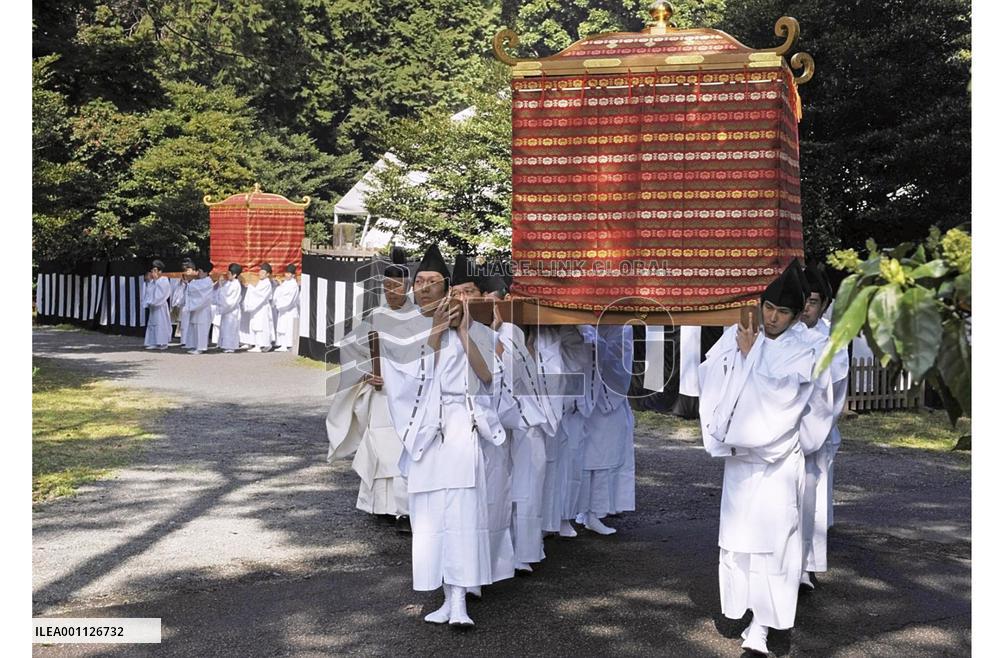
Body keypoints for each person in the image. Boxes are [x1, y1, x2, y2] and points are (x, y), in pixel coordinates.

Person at [698, 262, 837, 655]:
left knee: (774, 543)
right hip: (741, 462)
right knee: (740, 543)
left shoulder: (805, 348)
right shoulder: (741, 335)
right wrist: (741, 353)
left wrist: (751, 354)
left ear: (796, 318)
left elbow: (783, 398)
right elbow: (710, 378)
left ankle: (764, 626)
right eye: (768, 308)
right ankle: (744, 608)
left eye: (783, 312)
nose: (772, 318)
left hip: (775, 461)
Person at [381, 245, 505, 627]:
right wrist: (435, 332)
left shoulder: (477, 331)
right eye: (419, 282)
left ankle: (460, 602)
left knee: (463, 514)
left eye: (433, 283)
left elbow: (487, 378)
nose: (424, 288)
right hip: (426, 432)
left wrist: (464, 330)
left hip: (460, 427)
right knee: (432, 516)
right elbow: (404, 382)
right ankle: (446, 597)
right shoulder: (404, 329)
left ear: (449, 290)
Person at [327, 248, 416, 528]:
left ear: (408, 287)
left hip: (409, 396)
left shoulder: (420, 318)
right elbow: (351, 347)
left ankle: (405, 509)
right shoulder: (376, 316)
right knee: (380, 448)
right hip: (381, 395)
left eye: (397, 287)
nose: (392, 292)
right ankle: (379, 504)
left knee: (403, 450)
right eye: (387, 287)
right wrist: (366, 373)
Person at [798, 263, 850, 589]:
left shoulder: (833, 339)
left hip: (815, 432)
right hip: (783, 434)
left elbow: (836, 390)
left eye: (814, 302)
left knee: (812, 501)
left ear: (824, 305)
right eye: (803, 300)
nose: (806, 308)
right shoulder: (785, 333)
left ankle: (806, 568)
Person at [575, 323, 636, 535]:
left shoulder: (622, 327)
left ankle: (596, 511)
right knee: (583, 460)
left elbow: (618, 362)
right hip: (584, 395)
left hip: (607, 398)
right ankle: (581, 510)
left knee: (603, 460)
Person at [184, 260, 216, 355]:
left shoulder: (208, 282)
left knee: (201, 327)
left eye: (201, 271)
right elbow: (193, 289)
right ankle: (195, 345)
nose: (199, 273)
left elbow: (200, 294)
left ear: (206, 272)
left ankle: (201, 347)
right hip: (196, 308)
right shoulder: (198, 281)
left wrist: (190, 285)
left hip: (203, 309)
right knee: (194, 326)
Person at [243, 263, 275, 352]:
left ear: (267, 274)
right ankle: (259, 344)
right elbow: (256, 292)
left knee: (261, 326)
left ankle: (262, 344)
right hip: (258, 308)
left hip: (262, 308)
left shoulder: (267, 283)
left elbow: (259, 295)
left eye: (263, 272)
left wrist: (250, 287)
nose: (260, 273)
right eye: (260, 271)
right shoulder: (261, 282)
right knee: (255, 325)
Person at [142, 259, 172, 350]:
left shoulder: (164, 280)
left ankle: (163, 342)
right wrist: (149, 302)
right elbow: (149, 292)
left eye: (155, 270)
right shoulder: (153, 281)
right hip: (153, 307)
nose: (153, 272)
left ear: (160, 271)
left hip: (160, 306)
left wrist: (154, 301)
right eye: (152, 270)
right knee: (152, 324)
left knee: (161, 323)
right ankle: (153, 341)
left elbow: (162, 293)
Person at [215, 263, 244, 353]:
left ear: (235, 275)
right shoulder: (229, 283)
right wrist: (220, 284)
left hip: (232, 310)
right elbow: (223, 292)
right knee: (224, 327)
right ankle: (223, 344)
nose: (228, 275)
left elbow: (230, 298)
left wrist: (221, 286)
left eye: (229, 274)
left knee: (231, 328)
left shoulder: (236, 285)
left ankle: (230, 346)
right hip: (227, 310)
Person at [272, 264, 300, 353]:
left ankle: (289, 345)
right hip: (282, 310)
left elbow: (289, 299)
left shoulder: (294, 285)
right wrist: (277, 303)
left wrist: (280, 305)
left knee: (289, 327)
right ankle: (282, 344)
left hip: (289, 310)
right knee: (282, 327)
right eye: (286, 273)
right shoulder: (285, 283)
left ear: (293, 275)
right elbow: (278, 293)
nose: (287, 275)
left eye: (289, 274)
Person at [172, 259, 195, 347]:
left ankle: (192, 342)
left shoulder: (196, 282)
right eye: (185, 271)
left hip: (194, 306)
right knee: (184, 325)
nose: (186, 273)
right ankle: (184, 341)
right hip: (184, 306)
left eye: (188, 270)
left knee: (192, 325)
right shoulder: (181, 283)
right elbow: (177, 295)